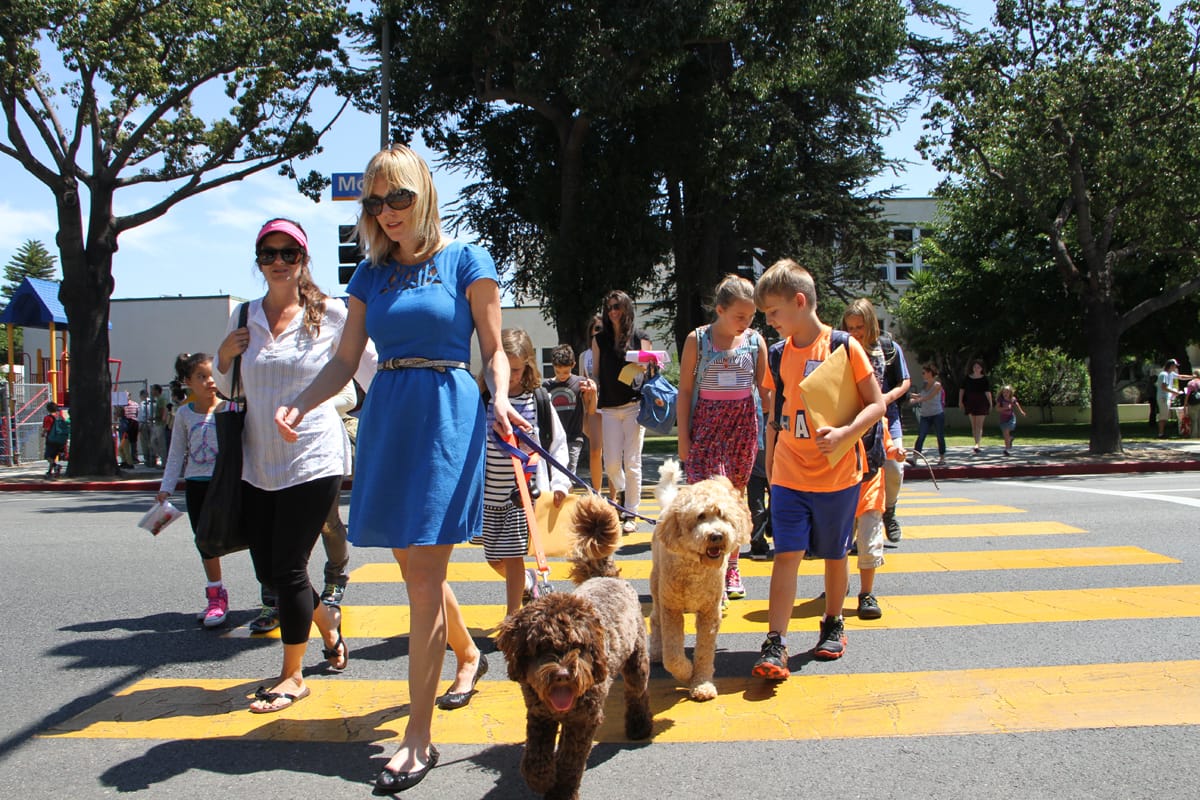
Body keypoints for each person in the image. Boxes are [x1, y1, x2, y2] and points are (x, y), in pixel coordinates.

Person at [274, 145, 520, 791]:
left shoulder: (466, 259)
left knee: (423, 576)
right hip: (388, 413)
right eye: (375, 202)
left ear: (424, 194)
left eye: (398, 197)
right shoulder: (370, 276)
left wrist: (499, 398)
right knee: (414, 566)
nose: (386, 212)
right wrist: (298, 404)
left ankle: (418, 736)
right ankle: (467, 655)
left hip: (446, 412)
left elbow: (494, 350)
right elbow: (343, 360)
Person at [217, 217, 376, 713]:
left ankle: (292, 675)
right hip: (258, 461)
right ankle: (326, 623)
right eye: (270, 253)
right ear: (259, 260)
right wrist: (224, 357)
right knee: (269, 569)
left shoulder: (330, 313)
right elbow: (229, 392)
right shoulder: (244, 316)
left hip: (314, 457)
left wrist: (328, 406)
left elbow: (370, 372)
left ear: (305, 260)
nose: (279, 262)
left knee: (288, 566)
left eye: (290, 253)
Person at [750, 259, 886, 680]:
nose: (769, 321)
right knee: (786, 554)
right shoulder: (776, 354)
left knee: (833, 552)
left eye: (773, 312)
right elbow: (775, 416)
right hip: (790, 473)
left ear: (800, 301)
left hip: (837, 473)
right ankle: (775, 642)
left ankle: (832, 624)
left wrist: (847, 432)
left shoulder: (845, 346)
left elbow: (877, 404)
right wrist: (771, 470)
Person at [676, 274, 768, 600]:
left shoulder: (756, 342)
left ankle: (731, 566)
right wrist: (683, 439)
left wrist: (774, 430)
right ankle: (704, 570)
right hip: (706, 428)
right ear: (720, 310)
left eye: (751, 316)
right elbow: (685, 392)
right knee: (705, 502)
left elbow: (765, 390)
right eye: (739, 316)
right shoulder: (697, 340)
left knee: (734, 501)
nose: (746, 322)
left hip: (742, 429)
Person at [486, 329, 570, 616]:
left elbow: (558, 445)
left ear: (529, 366)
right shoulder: (484, 399)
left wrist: (560, 483)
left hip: (523, 495)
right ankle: (529, 582)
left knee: (511, 556)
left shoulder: (538, 400)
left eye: (517, 370)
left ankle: (512, 617)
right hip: (489, 496)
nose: (510, 377)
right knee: (493, 558)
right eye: (505, 369)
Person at [156, 353, 231, 627]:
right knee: (205, 542)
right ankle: (216, 595)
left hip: (227, 485)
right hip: (197, 486)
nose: (210, 381)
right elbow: (176, 454)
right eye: (201, 376)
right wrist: (166, 488)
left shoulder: (230, 409)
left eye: (213, 375)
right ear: (188, 382)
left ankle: (269, 596)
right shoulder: (184, 415)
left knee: (246, 536)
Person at [841, 299, 910, 544]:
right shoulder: (844, 349)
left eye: (859, 327)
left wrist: (884, 399)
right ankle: (853, 530)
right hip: (856, 420)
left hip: (886, 419)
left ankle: (889, 509)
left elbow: (905, 382)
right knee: (856, 475)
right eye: (850, 328)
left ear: (871, 324)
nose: (855, 333)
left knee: (893, 468)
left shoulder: (888, 348)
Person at [591, 290, 653, 533]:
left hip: (634, 406)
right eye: (609, 308)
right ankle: (626, 492)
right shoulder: (600, 340)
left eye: (617, 306)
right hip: (608, 407)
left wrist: (645, 366)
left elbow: (650, 371)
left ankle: (630, 513)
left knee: (632, 462)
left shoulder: (640, 337)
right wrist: (591, 384)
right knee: (613, 464)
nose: (613, 312)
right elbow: (595, 373)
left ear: (626, 308)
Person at [543, 343, 594, 477]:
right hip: (553, 438)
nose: (562, 375)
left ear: (573, 365)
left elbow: (591, 409)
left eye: (565, 371)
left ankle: (567, 496)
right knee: (553, 475)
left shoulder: (580, 383)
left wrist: (592, 393)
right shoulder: (546, 386)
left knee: (569, 475)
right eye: (557, 371)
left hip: (573, 437)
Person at [578, 314, 606, 493]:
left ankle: (614, 496)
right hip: (592, 407)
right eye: (596, 328)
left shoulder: (613, 351)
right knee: (596, 452)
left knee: (613, 455)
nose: (599, 332)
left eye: (602, 329)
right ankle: (597, 493)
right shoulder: (584, 356)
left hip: (612, 404)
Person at [910, 364, 947, 465]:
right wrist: (912, 395)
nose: (922, 375)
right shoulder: (925, 384)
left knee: (939, 435)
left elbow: (929, 397)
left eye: (924, 373)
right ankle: (914, 458)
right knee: (921, 436)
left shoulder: (937, 385)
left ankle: (942, 458)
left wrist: (916, 400)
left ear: (930, 373)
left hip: (937, 414)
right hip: (925, 415)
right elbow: (922, 395)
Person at [959, 359, 993, 453]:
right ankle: (975, 442)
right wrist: (960, 401)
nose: (976, 368)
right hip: (970, 402)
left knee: (979, 425)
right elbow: (962, 390)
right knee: (973, 425)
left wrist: (990, 403)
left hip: (981, 402)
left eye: (978, 367)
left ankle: (977, 444)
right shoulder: (967, 378)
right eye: (975, 367)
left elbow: (987, 392)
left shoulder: (984, 378)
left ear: (982, 368)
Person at [996, 384, 1027, 455]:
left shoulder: (1012, 399)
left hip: (1011, 418)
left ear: (1010, 393)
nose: (1005, 394)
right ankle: (1009, 440)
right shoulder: (1000, 400)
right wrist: (1005, 408)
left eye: (1007, 392)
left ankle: (1007, 449)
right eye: (1004, 392)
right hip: (1003, 419)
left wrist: (1021, 411)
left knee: (1006, 431)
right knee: (1005, 435)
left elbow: (1017, 405)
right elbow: (997, 409)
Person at [1156, 358, 1183, 438]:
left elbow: (1181, 377)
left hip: (1167, 397)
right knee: (1163, 416)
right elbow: (1164, 387)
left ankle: (1162, 433)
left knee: (1165, 415)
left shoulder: (1171, 373)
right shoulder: (1164, 374)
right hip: (1163, 398)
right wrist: (1175, 392)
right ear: (1171, 366)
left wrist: (1193, 376)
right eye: (1175, 366)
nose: (1176, 368)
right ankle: (1161, 434)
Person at [42, 401, 68, 477]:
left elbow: (47, 428)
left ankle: (56, 466)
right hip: (61, 440)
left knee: (48, 456)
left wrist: (43, 433)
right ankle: (50, 472)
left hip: (52, 440)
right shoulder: (60, 416)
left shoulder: (48, 418)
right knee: (53, 456)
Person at [1184, 374, 1200, 439]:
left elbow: (1188, 394)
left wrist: (1185, 404)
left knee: (1194, 420)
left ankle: (1194, 436)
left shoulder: (1191, 383)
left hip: (1193, 403)